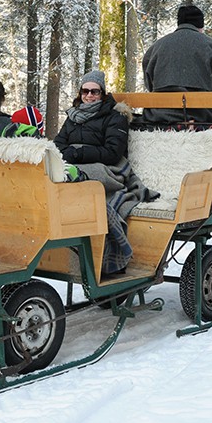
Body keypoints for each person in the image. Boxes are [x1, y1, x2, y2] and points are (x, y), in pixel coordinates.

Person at [55, 70, 158, 275]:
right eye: (85, 91)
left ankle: (111, 252)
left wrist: (79, 151)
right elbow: (58, 146)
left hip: (107, 170)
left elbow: (113, 152)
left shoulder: (115, 116)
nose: (89, 96)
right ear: (80, 93)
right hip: (76, 166)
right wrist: (72, 154)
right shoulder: (72, 117)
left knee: (82, 181)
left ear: (102, 93)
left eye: (95, 92)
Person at [139, 4, 212, 128]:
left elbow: (149, 84)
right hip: (204, 117)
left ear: (179, 23)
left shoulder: (156, 48)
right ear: (200, 27)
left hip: (159, 116)